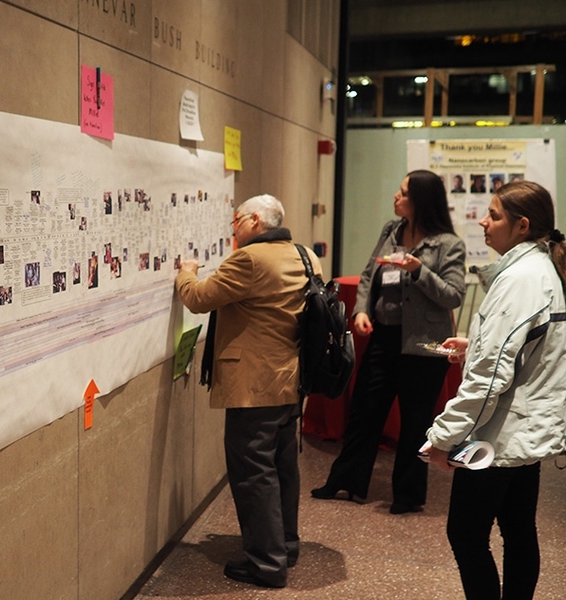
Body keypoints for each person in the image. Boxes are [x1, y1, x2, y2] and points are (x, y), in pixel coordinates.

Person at [424, 180, 566, 599]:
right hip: (524, 430)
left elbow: (490, 379)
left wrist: (443, 439)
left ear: (522, 226)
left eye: (494, 215)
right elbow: (524, 347)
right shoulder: (542, 269)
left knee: (465, 534)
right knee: (518, 528)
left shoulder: (521, 278)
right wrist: (476, 346)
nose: (483, 222)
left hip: (495, 437)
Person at [175, 194, 321, 588]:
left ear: (255, 220)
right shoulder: (305, 255)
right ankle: (285, 545)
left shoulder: (250, 260)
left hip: (254, 387)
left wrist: (187, 271)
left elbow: (199, 298)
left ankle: (266, 563)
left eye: (235, 221)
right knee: (282, 467)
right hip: (291, 381)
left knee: (253, 474)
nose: (232, 229)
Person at [311, 169, 466, 514]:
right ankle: (347, 482)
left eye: (403, 193)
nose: (396, 198)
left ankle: (408, 496)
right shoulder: (391, 230)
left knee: (415, 421)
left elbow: (453, 295)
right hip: (384, 335)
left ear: (421, 202)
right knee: (365, 412)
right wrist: (362, 310)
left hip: (425, 345)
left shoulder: (448, 244)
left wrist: (418, 270)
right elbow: (369, 274)